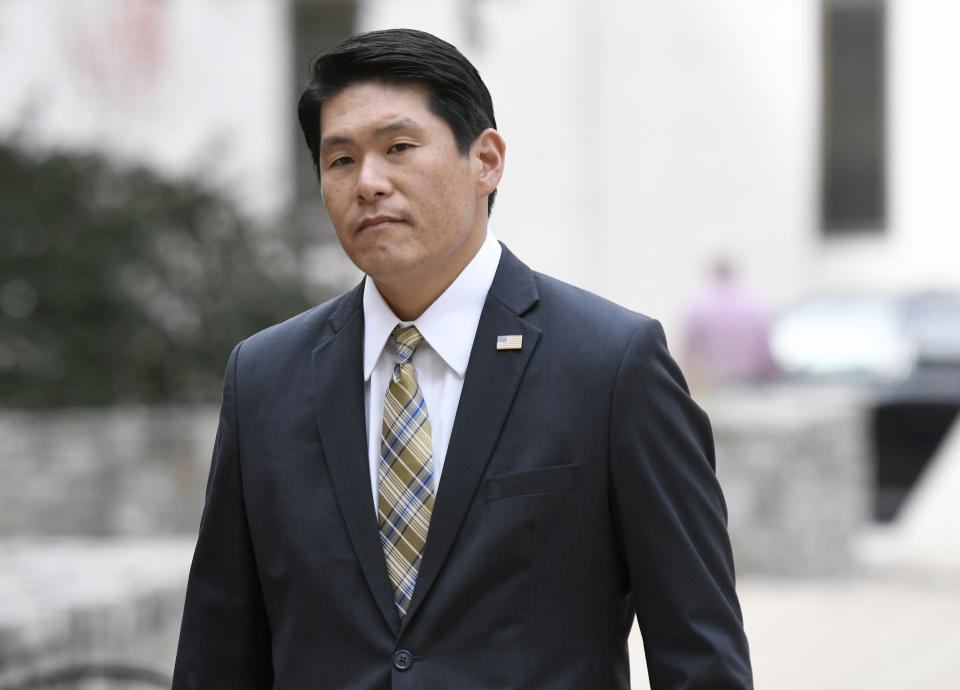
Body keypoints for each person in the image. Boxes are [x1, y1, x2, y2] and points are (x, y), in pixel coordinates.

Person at [173, 28, 752, 689]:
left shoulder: (611, 364)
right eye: (340, 161)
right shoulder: (265, 376)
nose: (368, 183)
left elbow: (700, 654)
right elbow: (216, 652)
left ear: (487, 160)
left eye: (398, 148)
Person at [682, 258, 776, 388]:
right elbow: (766, 353)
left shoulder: (700, 307)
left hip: (713, 386)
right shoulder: (754, 305)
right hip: (750, 385)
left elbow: (690, 353)